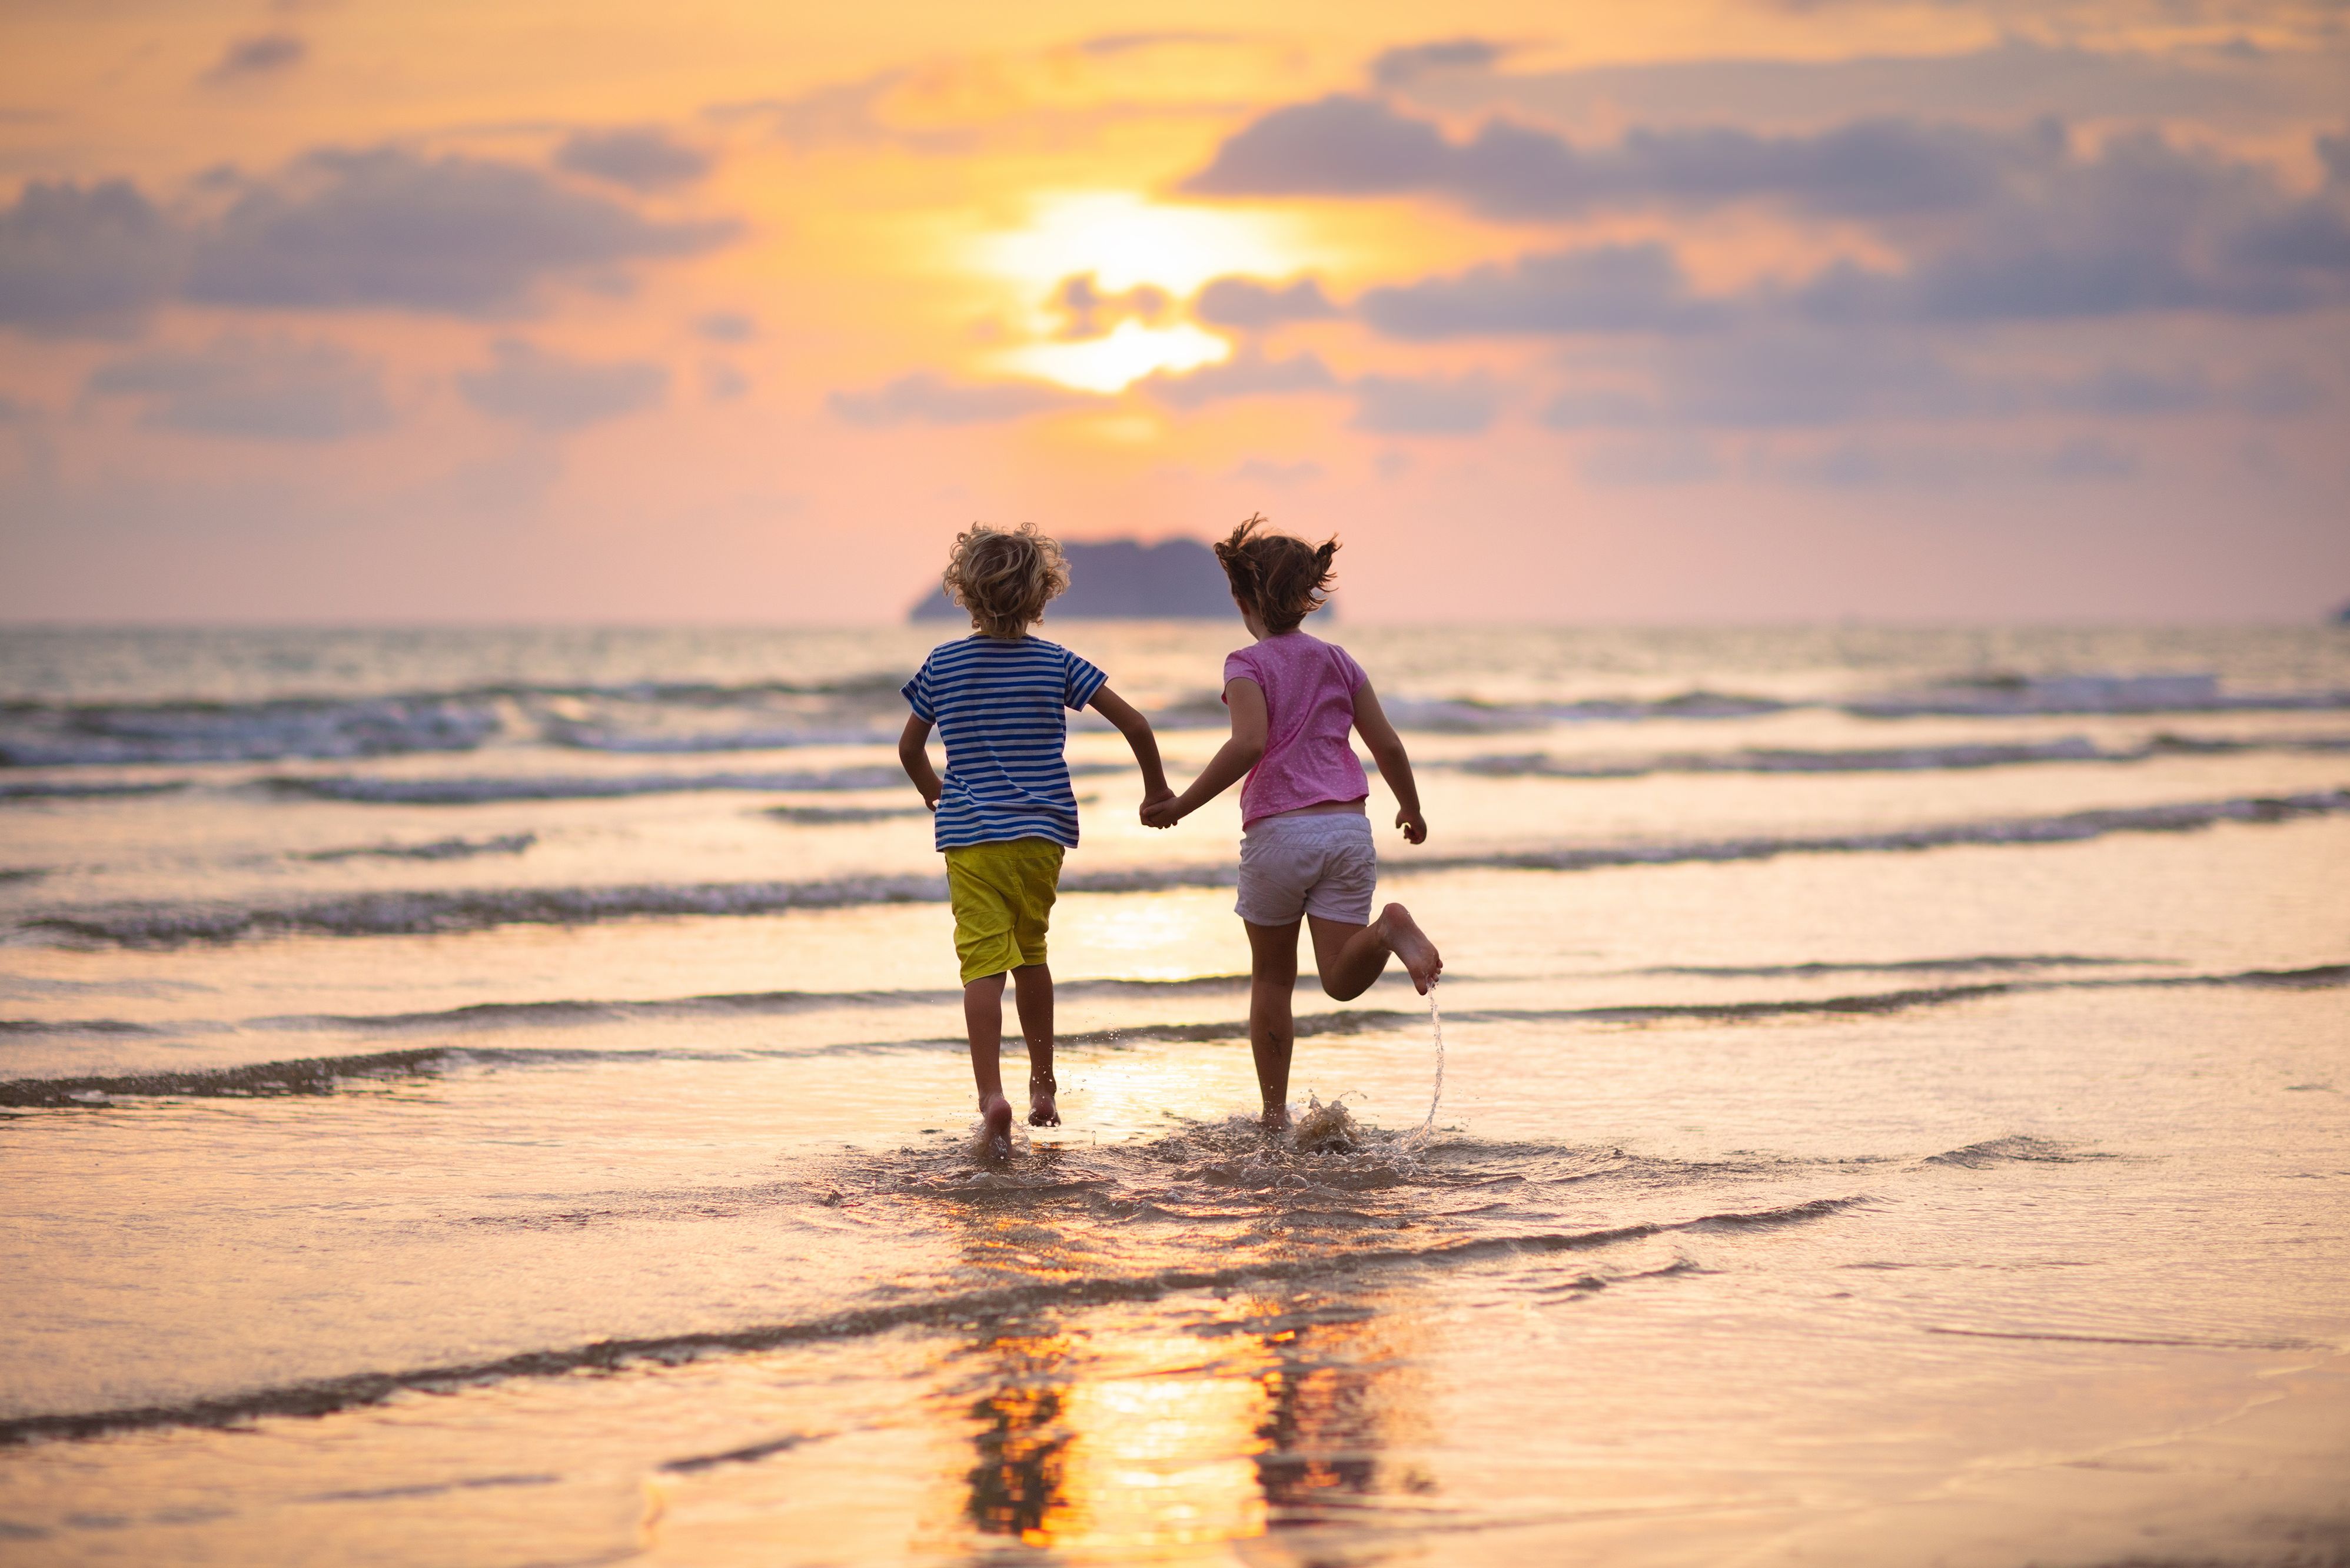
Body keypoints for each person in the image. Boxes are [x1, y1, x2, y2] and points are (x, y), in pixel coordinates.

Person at [1143, 515, 1442, 1131]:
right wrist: (1410, 807)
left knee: (1273, 980)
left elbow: (1249, 744)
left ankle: (1275, 1117)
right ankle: (1388, 930)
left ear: (1242, 599)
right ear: (1309, 596)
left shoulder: (1245, 663)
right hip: (1346, 831)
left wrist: (1181, 805)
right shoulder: (1338, 661)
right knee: (1338, 979)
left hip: (1279, 835)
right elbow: (1386, 745)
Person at [899, 523, 1174, 1160]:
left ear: (963, 593)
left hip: (971, 836)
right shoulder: (1057, 662)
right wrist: (1156, 790)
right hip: (1042, 834)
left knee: (981, 965)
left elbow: (910, 748)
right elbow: (1135, 722)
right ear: (1041, 596)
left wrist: (933, 792)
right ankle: (1043, 1085)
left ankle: (991, 1094)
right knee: (1032, 953)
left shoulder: (943, 663)